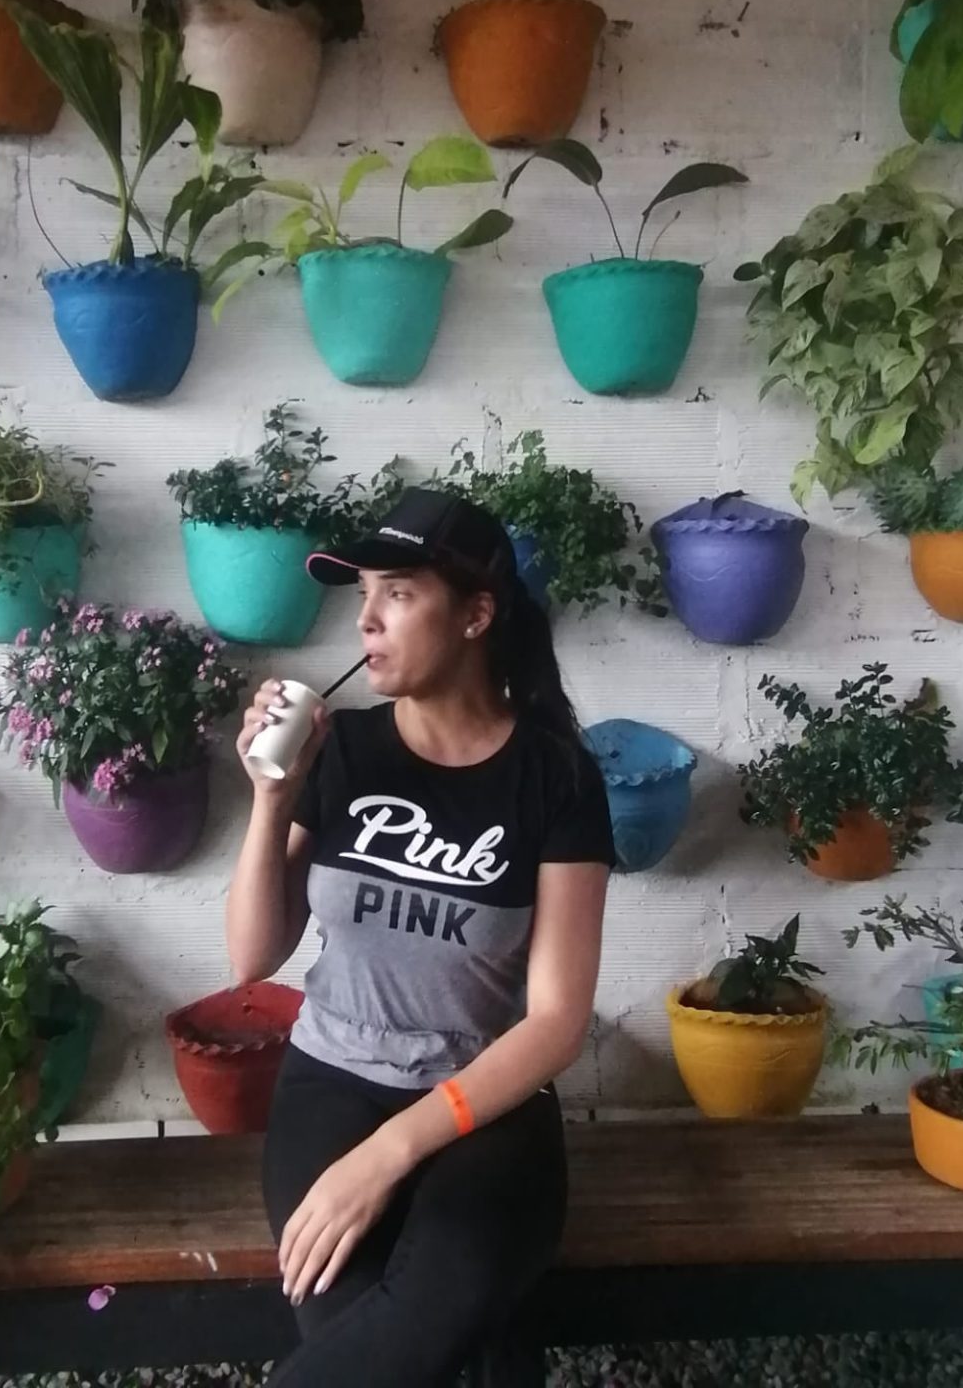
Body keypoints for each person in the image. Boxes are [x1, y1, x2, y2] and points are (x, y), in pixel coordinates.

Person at [228, 487, 616, 1388]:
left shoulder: (555, 778)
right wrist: (271, 798)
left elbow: (556, 1022)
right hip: (330, 1080)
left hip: (483, 1097)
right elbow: (252, 956)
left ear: (477, 614)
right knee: (371, 1319)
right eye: (363, 595)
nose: (366, 619)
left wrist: (388, 1153)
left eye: (398, 593)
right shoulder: (343, 751)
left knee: (453, 1289)